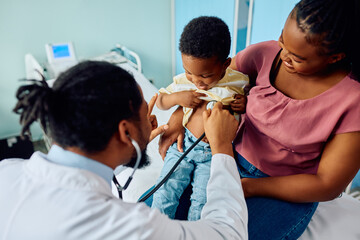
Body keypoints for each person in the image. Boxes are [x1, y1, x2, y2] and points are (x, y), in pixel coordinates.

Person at [159, 0, 360, 239]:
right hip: (230, 160)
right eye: (282, 41)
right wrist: (178, 116)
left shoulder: (352, 101)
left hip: (286, 188)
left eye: (297, 57)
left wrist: (248, 187)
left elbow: (328, 184)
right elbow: (212, 83)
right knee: (162, 218)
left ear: (335, 57)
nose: (283, 54)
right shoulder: (265, 54)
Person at [0, 61, 249, 239]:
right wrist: (221, 147)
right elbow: (227, 233)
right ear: (123, 131)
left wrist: (131, 147)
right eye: (144, 111)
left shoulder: (6, 171)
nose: (151, 118)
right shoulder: (129, 226)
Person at [151, 16, 248, 220]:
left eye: (205, 76)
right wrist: (178, 97)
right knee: (165, 190)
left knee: (203, 202)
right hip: (182, 146)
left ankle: (197, 232)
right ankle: (156, 228)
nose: (197, 82)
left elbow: (250, 109)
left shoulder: (239, 82)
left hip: (212, 154)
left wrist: (244, 104)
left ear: (225, 65)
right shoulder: (183, 82)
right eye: (189, 73)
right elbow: (160, 101)